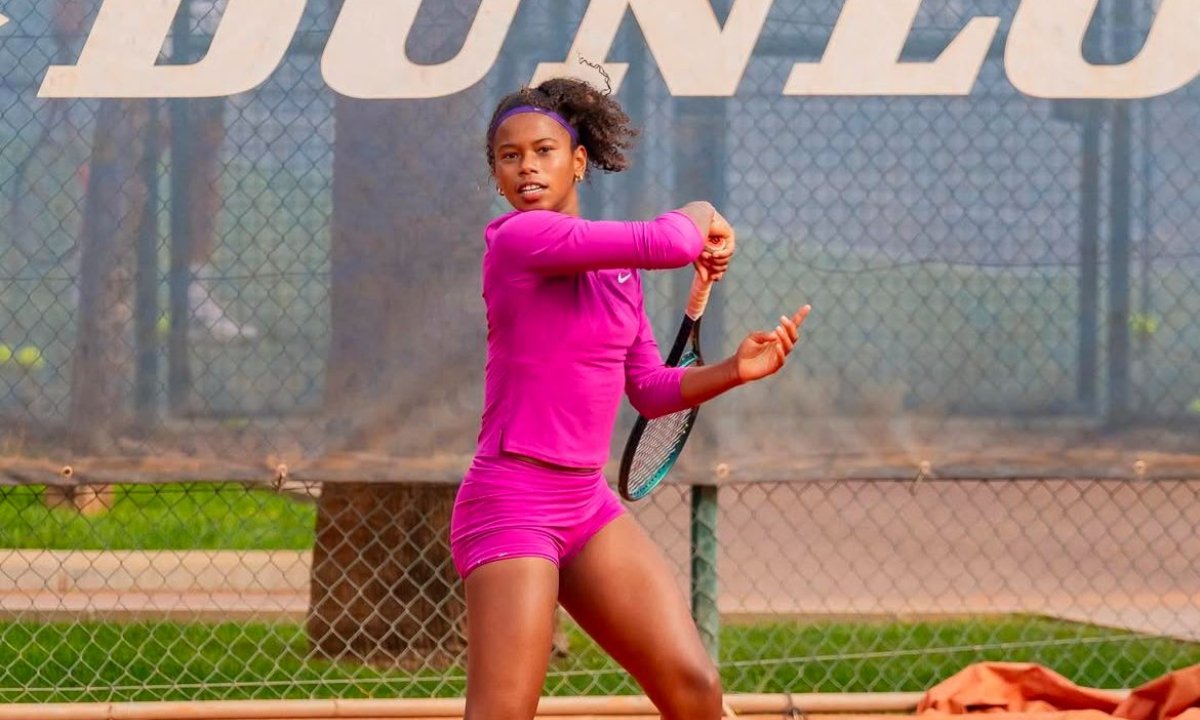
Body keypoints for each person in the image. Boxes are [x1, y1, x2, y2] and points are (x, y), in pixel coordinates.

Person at [452, 77, 811, 720]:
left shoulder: (618, 276)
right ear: (497, 173)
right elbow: (674, 243)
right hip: (513, 501)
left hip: (586, 504)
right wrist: (703, 209)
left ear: (578, 161)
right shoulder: (517, 239)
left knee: (694, 687)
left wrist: (736, 368)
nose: (527, 166)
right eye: (510, 156)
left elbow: (649, 390)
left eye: (544, 151)